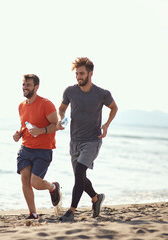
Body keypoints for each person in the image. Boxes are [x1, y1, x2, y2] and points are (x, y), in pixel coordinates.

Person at [58, 57, 118, 221]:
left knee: (79, 172)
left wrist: (106, 125)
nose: (79, 77)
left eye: (82, 73)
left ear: (90, 73)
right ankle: (96, 198)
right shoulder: (70, 91)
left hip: (92, 140)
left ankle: (71, 211)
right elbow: (62, 108)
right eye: (77, 74)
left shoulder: (101, 94)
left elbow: (114, 107)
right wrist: (62, 118)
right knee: (80, 178)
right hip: (74, 141)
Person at [13, 74, 61, 219]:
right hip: (25, 149)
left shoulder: (46, 104)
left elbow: (57, 125)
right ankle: (33, 214)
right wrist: (19, 134)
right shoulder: (21, 106)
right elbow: (24, 125)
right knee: (25, 180)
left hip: (43, 150)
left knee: (35, 183)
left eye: (28, 85)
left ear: (36, 87)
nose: (25, 88)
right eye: (23, 85)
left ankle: (53, 187)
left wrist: (41, 131)